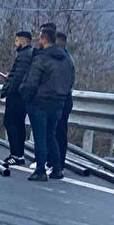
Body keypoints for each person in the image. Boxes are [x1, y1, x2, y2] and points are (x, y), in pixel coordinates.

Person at [19, 28, 75, 181]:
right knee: (51, 135)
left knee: (40, 137)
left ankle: (40, 170)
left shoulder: (41, 58)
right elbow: (70, 81)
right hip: (58, 102)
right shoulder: (66, 59)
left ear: (43, 39)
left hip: (40, 102)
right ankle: (57, 169)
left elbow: (32, 81)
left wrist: (25, 95)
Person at [0, 31, 33, 166]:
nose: (15, 44)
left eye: (16, 41)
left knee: (12, 123)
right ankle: (19, 154)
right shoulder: (30, 53)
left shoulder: (24, 56)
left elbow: (19, 77)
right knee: (19, 124)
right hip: (23, 96)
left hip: (17, 96)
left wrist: (8, 88)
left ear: (22, 41)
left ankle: (16, 154)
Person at [56, 32, 75, 168]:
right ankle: (55, 162)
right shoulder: (67, 58)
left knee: (59, 132)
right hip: (63, 98)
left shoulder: (64, 60)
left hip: (62, 99)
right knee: (57, 131)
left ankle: (58, 163)